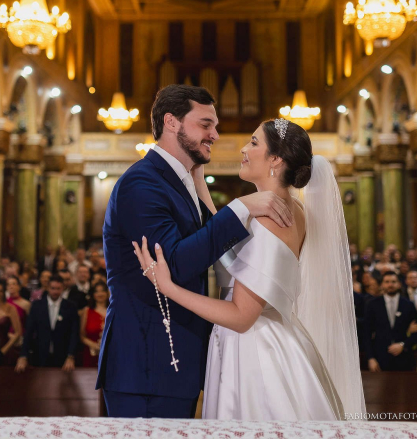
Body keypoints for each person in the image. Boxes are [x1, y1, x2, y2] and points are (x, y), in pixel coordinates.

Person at [135, 117, 365, 421]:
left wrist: (168, 287)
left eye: (254, 142)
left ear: (276, 159)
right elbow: (229, 245)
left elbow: (242, 317)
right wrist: (199, 181)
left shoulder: (271, 219)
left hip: (254, 351)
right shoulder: (289, 208)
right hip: (267, 335)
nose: (243, 149)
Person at [97, 85, 297, 419]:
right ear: (171, 122)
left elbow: (212, 244)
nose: (215, 135)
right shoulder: (142, 183)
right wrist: (241, 207)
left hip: (177, 364)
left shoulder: (181, 180)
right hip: (147, 364)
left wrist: (201, 184)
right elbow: (173, 263)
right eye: (205, 125)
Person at [16, 276, 79, 372]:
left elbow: (74, 333)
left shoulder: (70, 306)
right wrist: (23, 356)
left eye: (58, 288)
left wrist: (70, 356)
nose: (55, 291)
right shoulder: (37, 306)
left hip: (62, 356)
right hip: (40, 355)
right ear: (48, 288)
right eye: (53, 288)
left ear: (63, 288)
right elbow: (29, 331)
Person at [365, 271, 417, 372]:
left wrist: (403, 345)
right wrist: (370, 358)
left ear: (399, 284)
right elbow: (366, 333)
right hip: (380, 358)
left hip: (404, 358)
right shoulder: (372, 304)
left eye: (393, 282)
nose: (390, 285)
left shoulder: (408, 305)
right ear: (382, 284)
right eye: (387, 282)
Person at [0, 281, 22, 366]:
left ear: (4, 293)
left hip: (5, 347)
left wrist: (4, 350)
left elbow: (18, 332)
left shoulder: (10, 308)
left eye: (0, 291)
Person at [80, 281, 109, 367]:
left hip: (110, 353)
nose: (100, 294)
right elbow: (82, 335)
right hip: (91, 353)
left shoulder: (113, 311)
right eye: (97, 291)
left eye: (102, 291)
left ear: (107, 293)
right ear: (93, 294)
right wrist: (95, 346)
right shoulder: (87, 311)